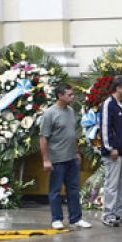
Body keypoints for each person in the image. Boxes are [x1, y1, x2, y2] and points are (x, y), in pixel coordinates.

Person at [40, 83, 91, 230]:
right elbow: (43, 138)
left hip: (71, 158)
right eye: (69, 95)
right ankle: (56, 219)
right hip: (57, 159)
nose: (72, 97)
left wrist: (76, 153)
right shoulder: (49, 114)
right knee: (55, 190)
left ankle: (76, 218)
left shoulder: (70, 111)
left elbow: (72, 134)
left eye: (72, 94)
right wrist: (46, 160)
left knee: (74, 189)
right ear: (60, 96)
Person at [100, 76, 122, 227]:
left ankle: (120, 212)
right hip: (114, 152)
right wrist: (110, 148)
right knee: (112, 184)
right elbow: (105, 127)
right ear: (118, 88)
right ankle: (108, 213)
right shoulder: (109, 104)